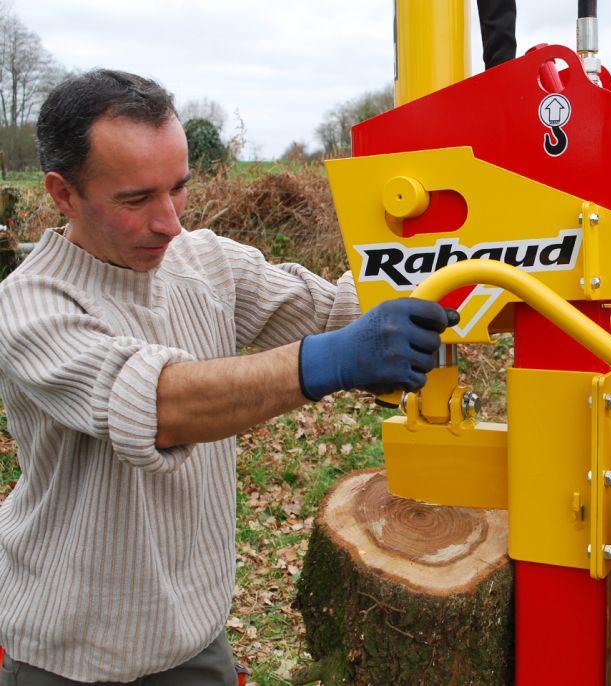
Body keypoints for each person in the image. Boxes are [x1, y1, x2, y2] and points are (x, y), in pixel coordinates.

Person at [0, 69, 456, 685]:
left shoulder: (204, 260)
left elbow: (338, 310)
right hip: (71, 650)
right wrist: (328, 361)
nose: (168, 221)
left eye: (178, 188)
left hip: (193, 637)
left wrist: (499, 264)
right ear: (63, 194)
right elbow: (158, 405)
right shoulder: (30, 304)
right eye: (136, 200)